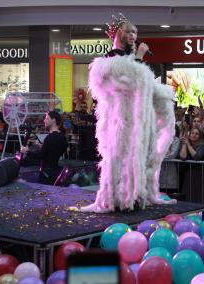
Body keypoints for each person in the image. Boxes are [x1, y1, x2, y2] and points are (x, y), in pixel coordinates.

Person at [74, 13, 176, 212]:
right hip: (120, 119)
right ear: (120, 33)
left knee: (139, 155)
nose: (133, 35)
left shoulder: (128, 60)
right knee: (118, 156)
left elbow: (140, 83)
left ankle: (138, 195)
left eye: (135, 32)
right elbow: (128, 79)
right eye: (129, 31)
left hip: (137, 120)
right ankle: (114, 198)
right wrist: (139, 57)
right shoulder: (111, 60)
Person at [20, 111, 68, 185]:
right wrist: (44, 146)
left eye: (47, 118)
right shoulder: (62, 136)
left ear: (53, 120)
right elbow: (57, 150)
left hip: (46, 174)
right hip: (55, 171)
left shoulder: (50, 137)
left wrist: (27, 151)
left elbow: (40, 156)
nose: (44, 120)